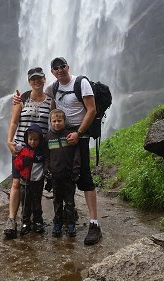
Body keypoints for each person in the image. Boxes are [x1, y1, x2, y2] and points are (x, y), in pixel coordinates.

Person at [13, 57, 102, 245]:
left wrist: (78, 133)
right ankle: (64, 217)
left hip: (79, 137)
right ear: (52, 72)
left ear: (68, 67)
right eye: (56, 68)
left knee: (84, 178)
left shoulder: (81, 83)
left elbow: (92, 110)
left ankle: (94, 223)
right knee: (61, 178)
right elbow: (37, 93)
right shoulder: (53, 88)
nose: (60, 70)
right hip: (60, 138)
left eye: (62, 66)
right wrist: (19, 98)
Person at [5, 67, 55, 239]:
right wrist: (9, 141)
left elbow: (53, 124)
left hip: (39, 151)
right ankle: (12, 219)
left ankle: (34, 219)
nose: (36, 81)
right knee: (17, 183)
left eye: (39, 78)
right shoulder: (21, 100)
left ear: (44, 79)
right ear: (29, 82)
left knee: (35, 184)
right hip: (20, 148)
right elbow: (13, 122)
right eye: (33, 79)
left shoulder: (50, 101)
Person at [44, 109, 80, 238]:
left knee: (70, 202)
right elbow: (46, 156)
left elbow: (76, 154)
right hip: (55, 177)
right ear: (50, 122)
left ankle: (71, 224)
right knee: (57, 201)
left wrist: (76, 170)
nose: (56, 123)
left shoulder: (70, 135)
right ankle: (57, 223)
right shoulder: (48, 137)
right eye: (54, 121)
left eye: (59, 121)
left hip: (69, 176)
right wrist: (46, 170)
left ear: (64, 121)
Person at [14, 124, 45, 235]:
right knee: (26, 203)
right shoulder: (23, 151)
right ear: (27, 139)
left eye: (36, 140)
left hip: (38, 182)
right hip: (25, 181)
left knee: (37, 202)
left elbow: (45, 164)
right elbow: (17, 164)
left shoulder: (42, 152)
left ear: (40, 140)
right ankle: (25, 222)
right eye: (30, 139)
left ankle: (38, 221)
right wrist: (23, 162)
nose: (33, 142)